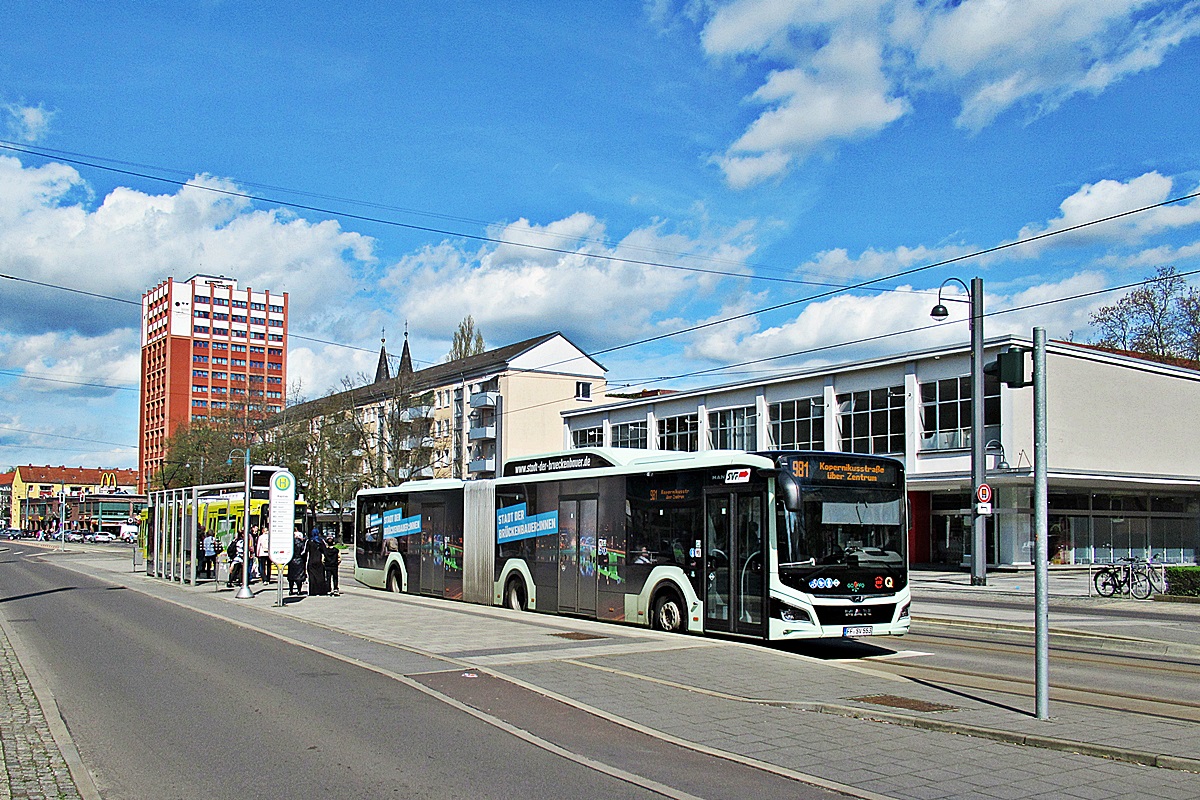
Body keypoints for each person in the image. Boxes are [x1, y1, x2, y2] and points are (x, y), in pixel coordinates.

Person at [306, 529, 329, 596]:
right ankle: (321, 591)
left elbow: (305, 551)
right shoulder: (321, 541)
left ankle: (313, 591)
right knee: (320, 577)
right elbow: (325, 551)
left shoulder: (309, 541)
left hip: (311, 561)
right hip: (319, 561)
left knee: (312, 577)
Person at [287, 529, 307, 596]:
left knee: (291, 577)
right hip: (300, 561)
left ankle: (291, 590)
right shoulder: (302, 544)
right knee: (299, 577)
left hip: (291, 561)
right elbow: (304, 553)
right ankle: (299, 590)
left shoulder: (290, 544)